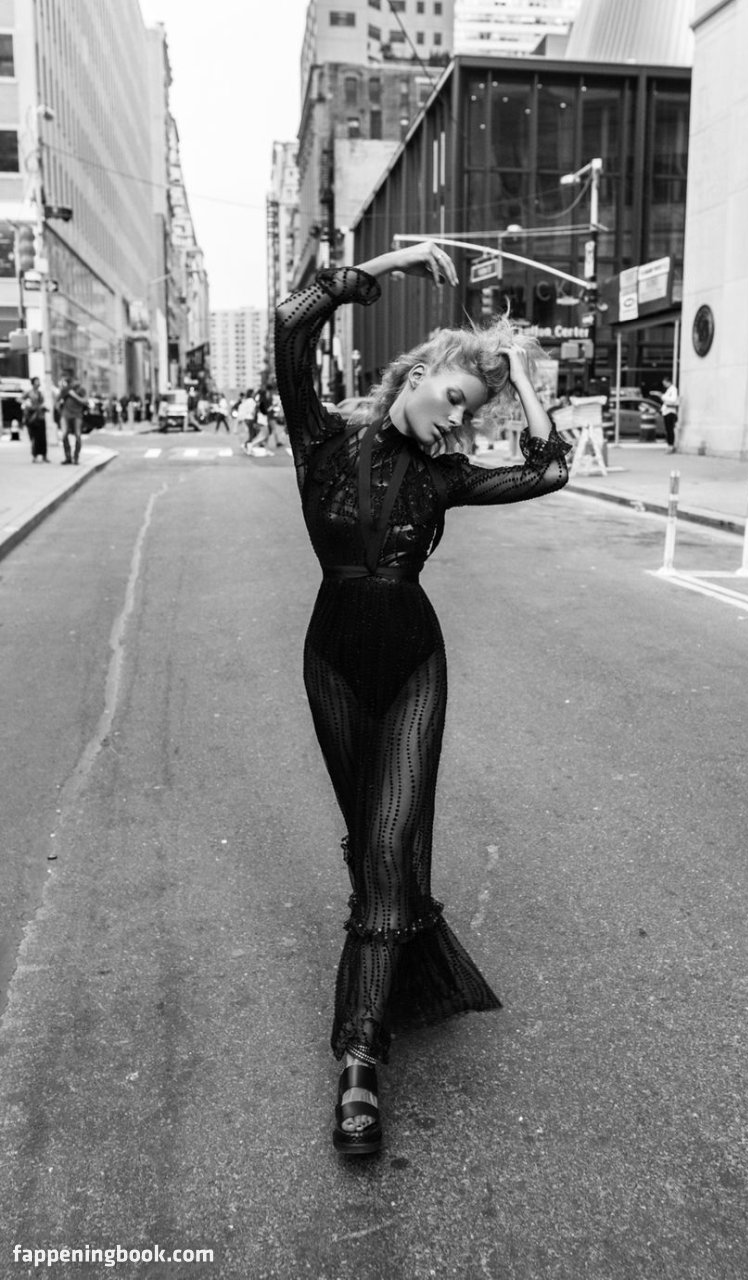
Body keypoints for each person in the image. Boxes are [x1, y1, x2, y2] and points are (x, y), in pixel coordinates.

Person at [275, 240, 570, 1157]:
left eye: (470, 413)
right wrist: (397, 260)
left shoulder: (445, 477)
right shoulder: (320, 440)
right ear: (415, 373)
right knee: (371, 848)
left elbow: (548, 469)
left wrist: (520, 376)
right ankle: (398, 951)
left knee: (386, 845)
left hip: (413, 665)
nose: (457, 421)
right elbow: (293, 321)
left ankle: (360, 1058)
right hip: (332, 661)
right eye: (453, 397)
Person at [57, 371, 87, 465]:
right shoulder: (66, 389)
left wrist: (74, 395)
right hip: (66, 414)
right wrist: (60, 411)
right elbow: (57, 401)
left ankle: (76, 457)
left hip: (77, 415)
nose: (75, 383)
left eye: (77, 381)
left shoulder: (81, 390)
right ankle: (68, 457)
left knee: (78, 435)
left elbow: (85, 401)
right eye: (74, 381)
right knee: (64, 435)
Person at [22, 376, 48, 462]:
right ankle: (34, 456)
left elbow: (42, 403)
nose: (38, 383)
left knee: (42, 437)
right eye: (37, 381)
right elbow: (20, 399)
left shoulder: (40, 393)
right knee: (34, 437)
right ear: (33, 383)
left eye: (39, 381)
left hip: (40, 416)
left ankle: (44, 456)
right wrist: (27, 404)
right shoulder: (29, 393)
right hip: (32, 417)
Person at [660, 375, 680, 452]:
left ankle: (670, 445)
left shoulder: (673, 389)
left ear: (668, 382)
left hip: (670, 411)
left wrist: (662, 396)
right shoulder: (669, 390)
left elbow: (673, 399)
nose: (664, 385)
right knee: (668, 429)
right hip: (666, 411)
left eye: (665, 383)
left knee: (670, 429)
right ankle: (669, 444)